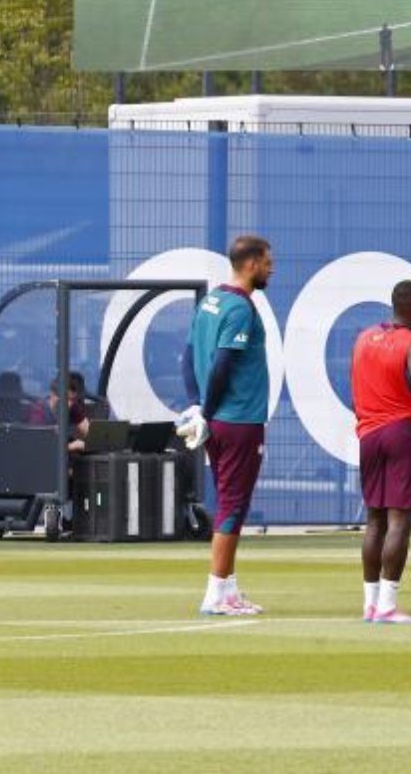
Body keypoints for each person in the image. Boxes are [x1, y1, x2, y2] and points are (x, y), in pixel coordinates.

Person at [180, 235, 275, 617]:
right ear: (251, 263)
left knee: (229, 500)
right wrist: (206, 409)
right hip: (238, 420)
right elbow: (222, 364)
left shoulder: (211, 301)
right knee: (233, 504)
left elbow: (188, 356)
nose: (271, 269)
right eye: (267, 262)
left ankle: (229, 589)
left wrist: (197, 405)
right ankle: (216, 593)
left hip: (220, 420)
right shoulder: (239, 308)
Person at [353, 281, 411, 624]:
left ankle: (370, 604)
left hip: (369, 433)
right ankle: (388, 604)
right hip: (402, 432)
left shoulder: (364, 338)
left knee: (375, 519)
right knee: (399, 518)